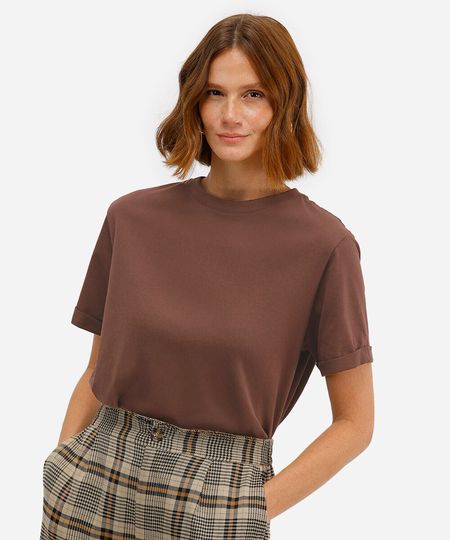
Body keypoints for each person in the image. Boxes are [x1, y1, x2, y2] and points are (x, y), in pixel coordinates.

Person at [40, 12, 374, 540]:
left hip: (218, 501)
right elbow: (98, 370)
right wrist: (61, 465)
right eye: (215, 93)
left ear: (285, 104)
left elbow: (355, 424)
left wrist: (249, 511)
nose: (230, 115)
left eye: (253, 95)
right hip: (91, 486)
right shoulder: (131, 219)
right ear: (194, 101)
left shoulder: (324, 246)